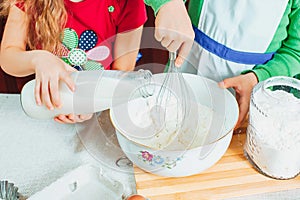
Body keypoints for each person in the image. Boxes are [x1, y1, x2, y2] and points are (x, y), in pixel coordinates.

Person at [147, 0, 300, 128]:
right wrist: (167, 3)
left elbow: (295, 52)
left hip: (246, 105)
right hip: (184, 74)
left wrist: (258, 78)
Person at [0, 0, 147, 123]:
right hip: (46, 106)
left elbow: (122, 74)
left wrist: (93, 103)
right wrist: (39, 59)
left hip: (99, 108)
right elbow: (8, 57)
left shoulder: (129, 2)